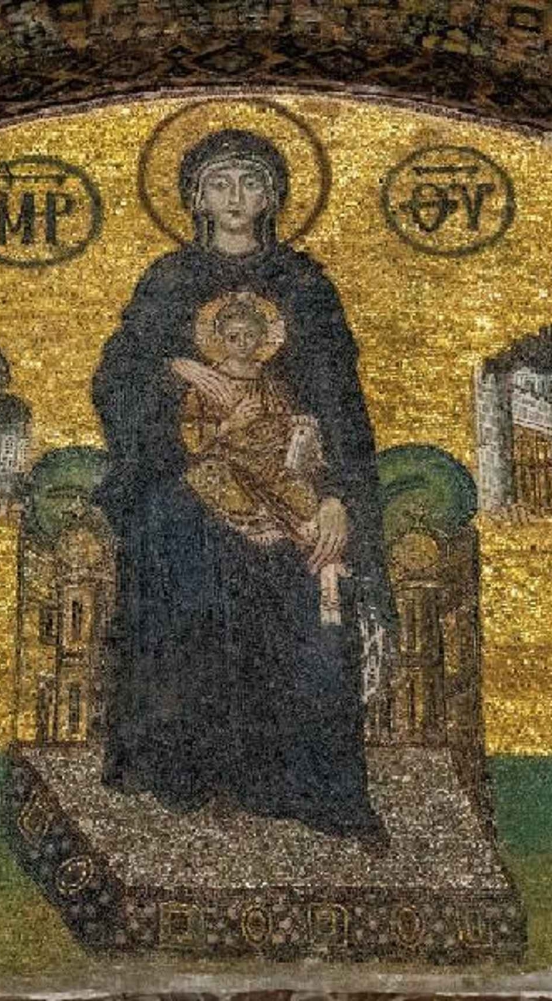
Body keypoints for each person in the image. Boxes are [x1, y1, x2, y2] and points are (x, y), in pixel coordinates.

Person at [91, 129, 390, 844]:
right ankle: (183, 768)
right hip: (186, 481)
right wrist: (179, 372)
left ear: (272, 197)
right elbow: (116, 380)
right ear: (195, 198)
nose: (235, 197)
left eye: (250, 182)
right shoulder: (169, 281)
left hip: (291, 485)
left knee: (310, 578)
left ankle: (299, 781)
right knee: (173, 537)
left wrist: (339, 497)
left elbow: (341, 399)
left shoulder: (304, 286)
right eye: (219, 183)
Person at [174, 291, 347, 625]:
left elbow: (283, 421)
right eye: (233, 336)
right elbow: (192, 435)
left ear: (263, 338)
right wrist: (230, 423)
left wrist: (299, 428)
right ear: (220, 339)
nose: (242, 343)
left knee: (307, 504)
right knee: (221, 485)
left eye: (249, 335)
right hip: (228, 460)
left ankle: (329, 584)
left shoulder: (271, 384)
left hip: (271, 462)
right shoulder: (207, 385)